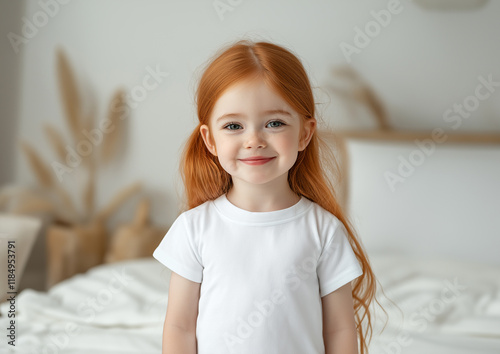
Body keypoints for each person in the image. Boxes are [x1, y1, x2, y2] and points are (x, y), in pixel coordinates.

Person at [153, 39, 378, 354]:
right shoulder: (193, 229)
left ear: (304, 133)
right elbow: (179, 327)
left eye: (275, 123)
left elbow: (340, 329)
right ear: (210, 140)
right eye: (233, 126)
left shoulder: (324, 231)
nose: (253, 140)